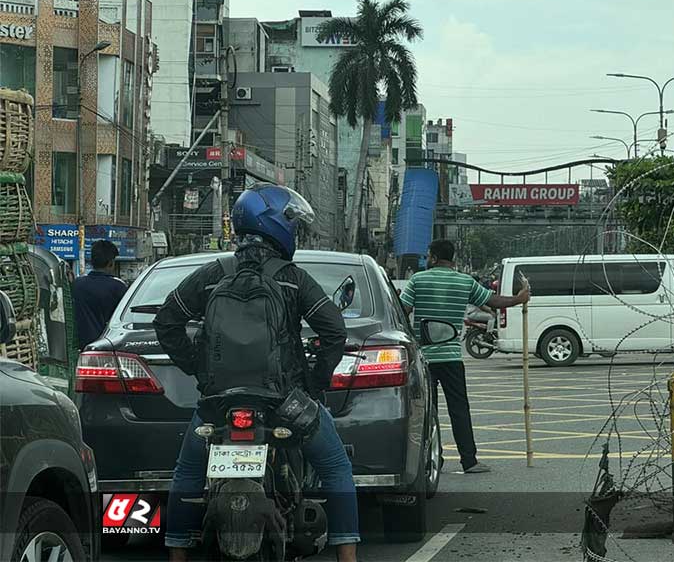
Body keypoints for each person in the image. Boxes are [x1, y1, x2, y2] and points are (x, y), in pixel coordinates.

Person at [154, 184, 358, 562]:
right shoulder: (293, 279)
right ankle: (347, 557)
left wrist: (199, 369)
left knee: (186, 472)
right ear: (277, 225)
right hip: (284, 401)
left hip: (218, 403)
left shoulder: (213, 273)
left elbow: (167, 322)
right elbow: (334, 331)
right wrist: (314, 384)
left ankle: (177, 556)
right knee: (335, 467)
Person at [400, 239, 530, 474]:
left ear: (433, 257)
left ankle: (431, 461)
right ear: (452, 259)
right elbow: (493, 301)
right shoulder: (465, 281)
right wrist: (519, 299)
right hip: (451, 357)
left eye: (429, 255)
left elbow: (402, 312)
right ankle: (469, 461)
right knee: (459, 409)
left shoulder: (418, 280)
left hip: (425, 359)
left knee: (428, 411)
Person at [72, 239, 128, 349]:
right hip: (109, 346)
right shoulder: (118, 287)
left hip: (82, 347)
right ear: (111, 263)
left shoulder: (77, 285)